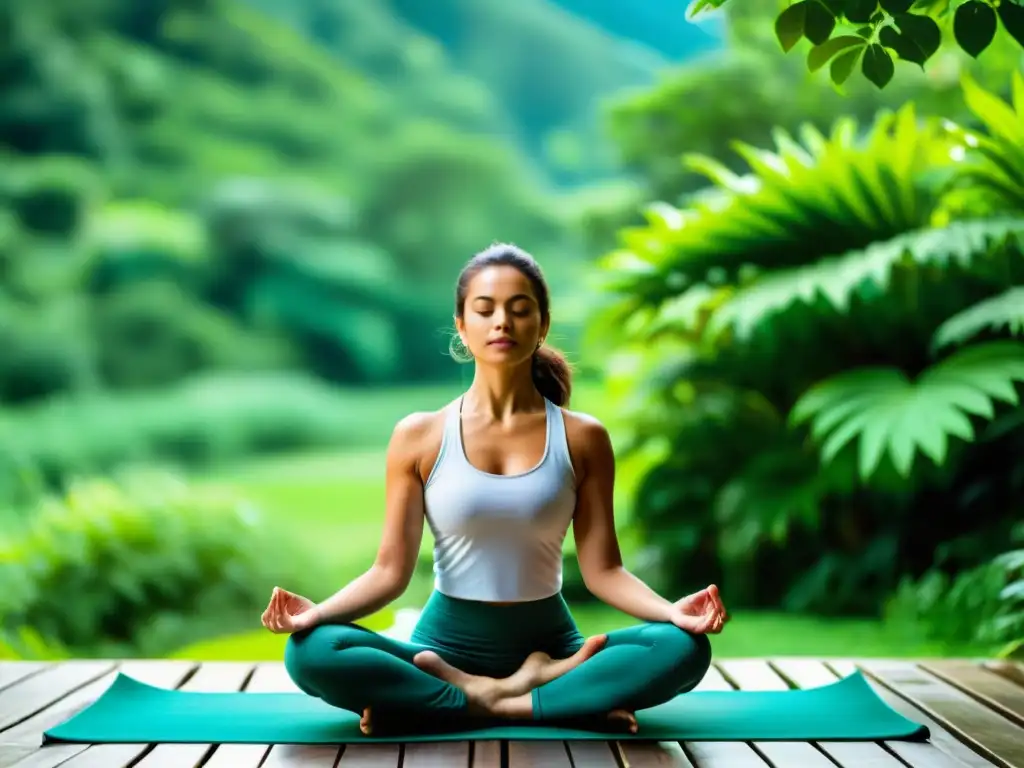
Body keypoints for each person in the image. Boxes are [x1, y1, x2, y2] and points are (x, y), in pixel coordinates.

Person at [260, 243, 729, 735]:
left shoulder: (582, 437)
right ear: (462, 327)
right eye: (485, 310)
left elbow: (604, 571)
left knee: (682, 647)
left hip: (552, 646)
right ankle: (558, 698)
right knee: (311, 651)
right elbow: (389, 572)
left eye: (519, 309)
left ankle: (457, 702)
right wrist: (317, 614)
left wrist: (673, 612)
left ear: (542, 324)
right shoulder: (419, 435)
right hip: (441, 649)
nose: (501, 321)